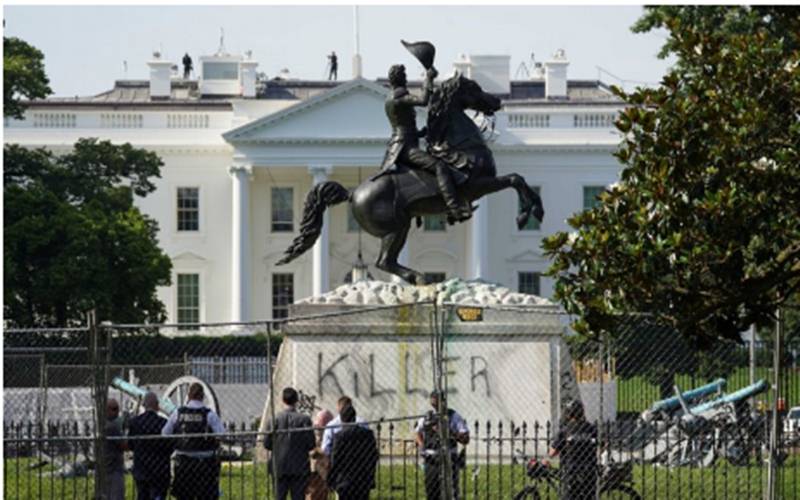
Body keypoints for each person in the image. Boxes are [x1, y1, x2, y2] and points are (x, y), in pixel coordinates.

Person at [373, 63, 472, 223]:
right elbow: (423, 100)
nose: (406, 79)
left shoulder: (390, 98)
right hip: (406, 148)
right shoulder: (399, 97)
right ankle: (454, 209)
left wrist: (421, 132)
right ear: (400, 79)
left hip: (401, 144)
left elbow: (402, 125)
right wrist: (429, 77)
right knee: (440, 167)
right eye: (404, 76)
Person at [162, 382, 225, 500]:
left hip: (184, 464)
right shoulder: (209, 414)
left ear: (189, 395)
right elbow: (222, 434)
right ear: (202, 396)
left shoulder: (178, 413)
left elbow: (165, 433)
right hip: (205, 465)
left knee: (184, 497)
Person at [415, 391, 470, 500]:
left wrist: (447, 431)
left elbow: (465, 438)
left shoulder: (453, 415)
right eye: (433, 399)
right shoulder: (427, 416)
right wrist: (422, 446)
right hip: (431, 458)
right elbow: (417, 432)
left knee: (451, 491)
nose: (435, 402)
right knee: (431, 491)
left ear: (443, 401)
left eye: (438, 399)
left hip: (449, 458)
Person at [264, 387, 316, 500]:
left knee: (279, 497)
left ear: (283, 400)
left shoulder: (274, 419)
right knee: (298, 497)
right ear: (296, 401)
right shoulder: (305, 420)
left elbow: (267, 444)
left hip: (279, 466)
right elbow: (311, 444)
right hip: (299, 467)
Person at [549, 400, 598, 500]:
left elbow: (552, 453)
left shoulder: (566, 430)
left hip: (571, 471)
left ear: (568, 414)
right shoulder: (591, 428)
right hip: (589, 470)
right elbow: (602, 444)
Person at [128, 392, 173, 500]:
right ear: (157, 405)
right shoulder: (163, 423)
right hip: (160, 470)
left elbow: (130, 444)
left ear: (144, 405)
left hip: (142, 469)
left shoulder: (135, 422)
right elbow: (170, 446)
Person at [328, 405, 378, 500]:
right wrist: (371, 476)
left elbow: (335, 460)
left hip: (344, 481)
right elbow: (373, 457)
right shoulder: (368, 434)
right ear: (355, 418)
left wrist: (331, 480)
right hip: (363, 480)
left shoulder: (339, 436)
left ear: (342, 419)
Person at [305, 410, 334, 500]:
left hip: (323, 471)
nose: (317, 428)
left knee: (321, 493)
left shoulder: (330, 436)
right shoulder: (314, 436)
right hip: (315, 472)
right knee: (313, 493)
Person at [105, 398, 127, 500]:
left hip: (106, 467)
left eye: (117, 409)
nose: (117, 412)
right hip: (114, 469)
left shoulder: (105, 424)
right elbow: (124, 445)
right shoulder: (112, 427)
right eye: (114, 409)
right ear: (107, 410)